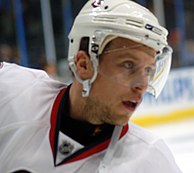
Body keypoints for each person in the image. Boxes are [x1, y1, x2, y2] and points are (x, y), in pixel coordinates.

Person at [0, 0, 182, 172]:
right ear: (84, 65)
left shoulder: (151, 161)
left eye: (149, 70)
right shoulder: (11, 91)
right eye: (128, 65)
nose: (142, 85)